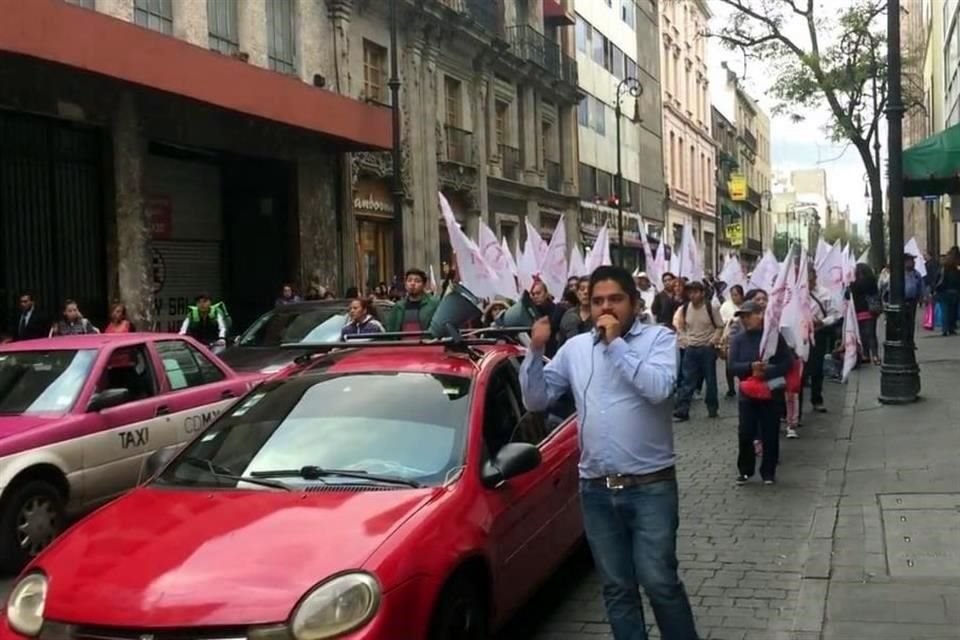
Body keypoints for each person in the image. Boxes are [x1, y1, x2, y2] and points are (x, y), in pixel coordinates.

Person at [519, 265, 699, 640]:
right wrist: (535, 352)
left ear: (633, 302)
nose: (606, 307)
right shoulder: (575, 349)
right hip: (596, 488)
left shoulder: (658, 339)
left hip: (651, 486)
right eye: (598, 300)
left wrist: (616, 344)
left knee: (659, 581)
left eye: (615, 299)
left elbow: (659, 389)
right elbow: (536, 399)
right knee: (617, 588)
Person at [728, 300, 793, 485]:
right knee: (746, 432)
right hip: (748, 393)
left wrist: (767, 370)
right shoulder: (738, 340)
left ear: (760, 315)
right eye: (743, 317)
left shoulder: (773, 338)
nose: (746, 320)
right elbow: (732, 366)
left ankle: (768, 471)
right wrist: (750, 367)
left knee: (770, 432)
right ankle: (746, 469)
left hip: (770, 391)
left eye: (749, 316)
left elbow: (787, 363)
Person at [672, 281, 722, 421]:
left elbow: (719, 326)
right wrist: (685, 339)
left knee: (710, 380)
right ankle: (683, 410)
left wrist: (713, 340)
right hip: (691, 349)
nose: (692, 295)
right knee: (687, 380)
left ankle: (712, 408)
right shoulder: (685, 308)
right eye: (690, 292)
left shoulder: (710, 307)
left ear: (702, 293)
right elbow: (680, 326)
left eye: (695, 292)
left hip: (707, 349)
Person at [803, 268, 840, 415]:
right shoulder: (795, 293)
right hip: (801, 334)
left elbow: (835, 314)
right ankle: (794, 410)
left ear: (815, 278)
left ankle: (817, 399)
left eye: (810, 280)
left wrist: (822, 322)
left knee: (817, 368)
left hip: (818, 334)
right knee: (800, 368)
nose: (808, 283)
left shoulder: (825, 293)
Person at [849, 264, 881, 364]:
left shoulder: (855, 284)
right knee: (871, 333)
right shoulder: (872, 281)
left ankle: (866, 354)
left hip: (859, 310)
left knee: (863, 334)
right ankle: (875, 355)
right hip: (871, 310)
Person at [718, 285, 744, 398]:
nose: (734, 297)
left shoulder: (746, 305)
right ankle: (731, 388)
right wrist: (731, 321)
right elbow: (721, 321)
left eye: (736, 295)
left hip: (744, 338)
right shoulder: (726, 306)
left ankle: (744, 386)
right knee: (729, 365)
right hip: (730, 339)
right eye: (732, 295)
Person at [558, 277, 592, 344]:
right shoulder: (568, 315)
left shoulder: (599, 315)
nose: (586, 292)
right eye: (582, 289)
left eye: (589, 289)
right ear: (577, 293)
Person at [935, 247, 960, 336]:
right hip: (954, 291)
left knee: (945, 311)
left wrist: (935, 290)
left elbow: (938, 280)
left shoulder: (944, 268)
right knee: (952, 311)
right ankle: (951, 328)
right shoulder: (956, 269)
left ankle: (945, 329)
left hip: (944, 292)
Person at [903, 253, 925, 346]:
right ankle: (904, 339)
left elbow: (921, 286)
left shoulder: (916, 274)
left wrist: (921, 297)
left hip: (912, 300)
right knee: (903, 321)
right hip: (902, 300)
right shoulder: (899, 273)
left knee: (911, 321)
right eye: (910, 261)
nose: (913, 262)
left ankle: (910, 340)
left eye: (913, 261)